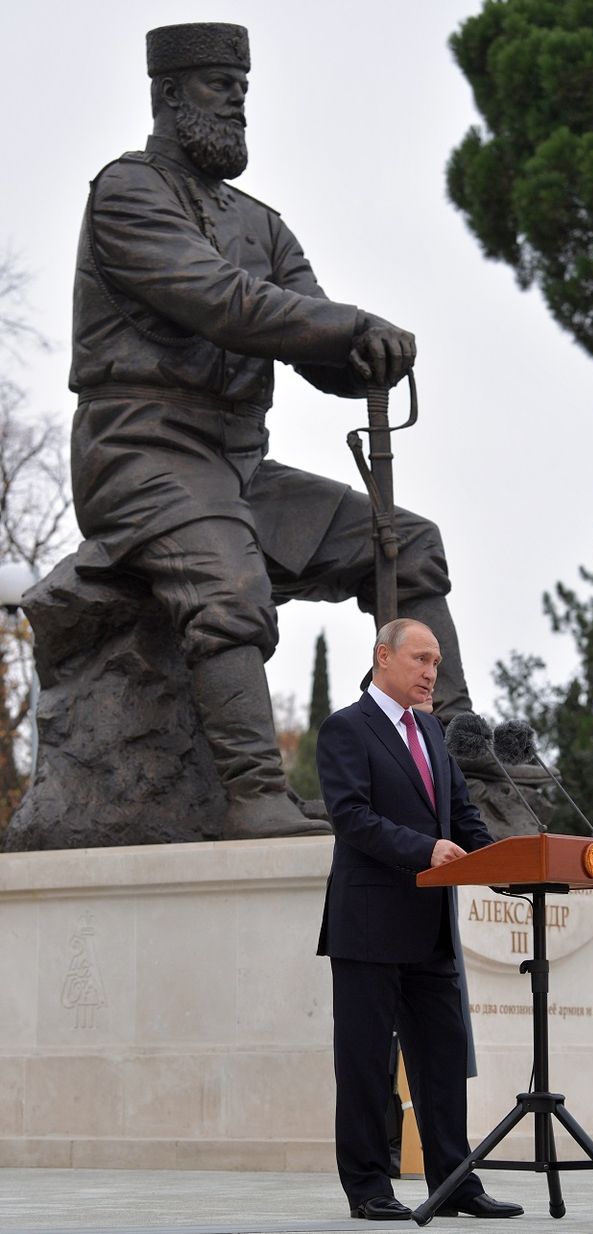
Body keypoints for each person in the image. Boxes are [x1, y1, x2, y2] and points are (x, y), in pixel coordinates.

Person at [68, 22, 474, 841]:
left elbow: (309, 340)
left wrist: (365, 355)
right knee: (229, 583)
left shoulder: (263, 224)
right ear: (168, 96)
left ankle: (461, 755)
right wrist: (349, 322)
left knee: (409, 542)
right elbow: (224, 302)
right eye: (221, 86)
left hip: (241, 464)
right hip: (141, 451)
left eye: (243, 87)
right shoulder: (128, 193)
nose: (239, 100)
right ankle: (255, 794)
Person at [316, 618, 523, 1221]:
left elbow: (461, 816)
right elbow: (351, 817)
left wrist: (506, 863)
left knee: (442, 1060)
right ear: (383, 656)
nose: (433, 673)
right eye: (422, 659)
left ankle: (455, 1182)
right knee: (363, 1062)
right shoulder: (345, 729)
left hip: (430, 930)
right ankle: (369, 1189)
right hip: (369, 927)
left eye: (436, 662)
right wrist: (424, 850)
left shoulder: (432, 732)